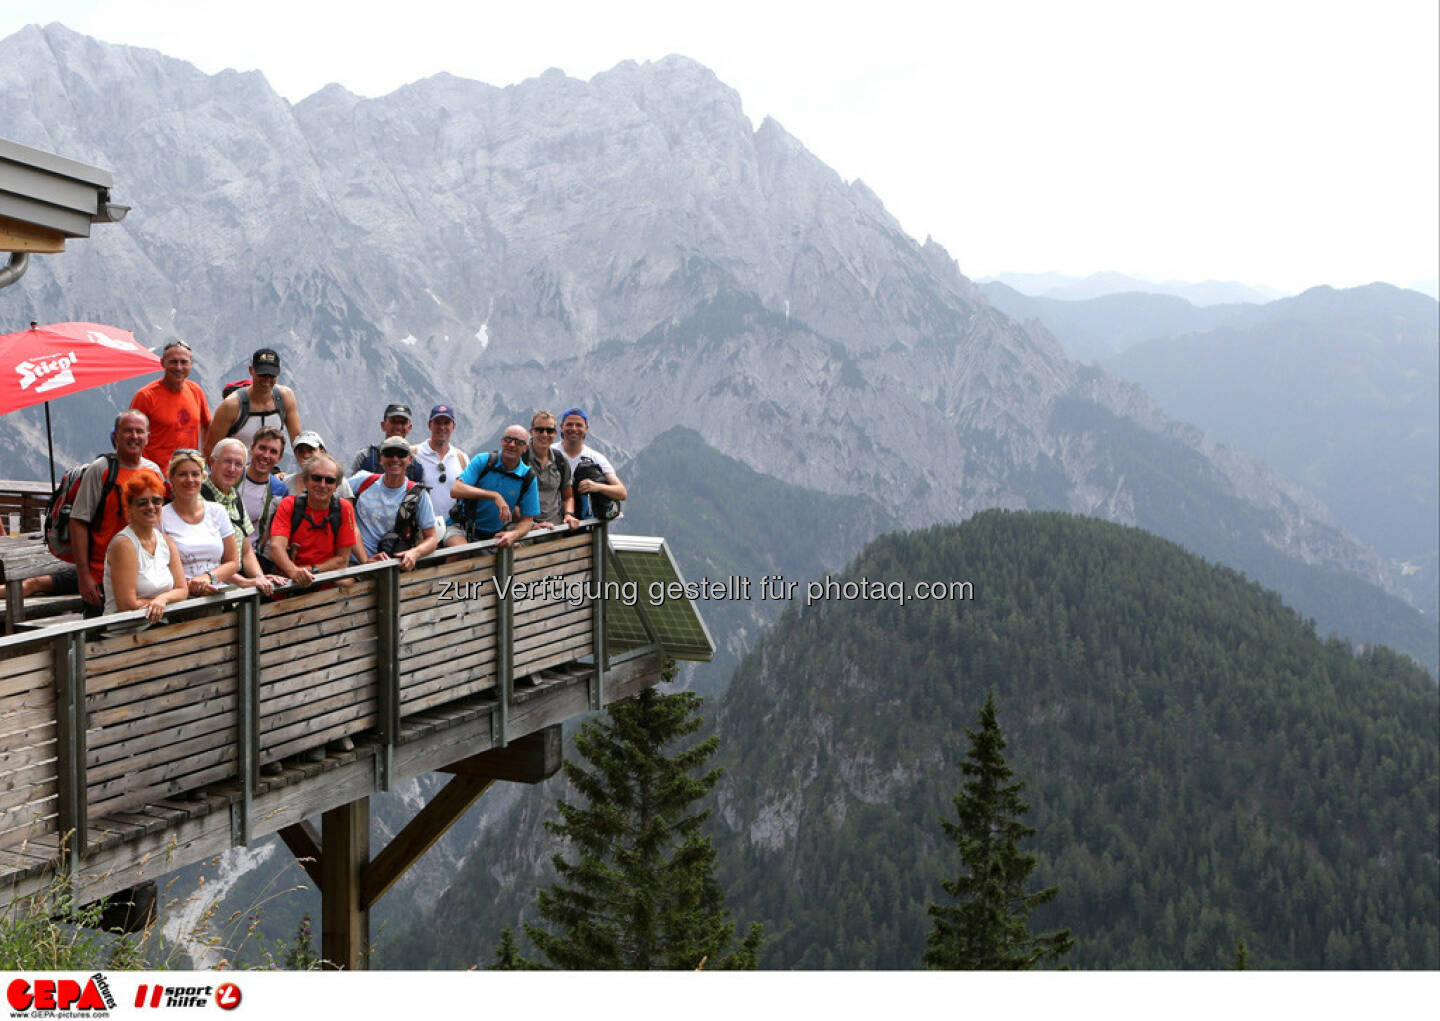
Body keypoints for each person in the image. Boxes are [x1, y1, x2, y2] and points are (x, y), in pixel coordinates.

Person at [69, 410, 165, 617]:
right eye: (127, 431)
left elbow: (157, 521)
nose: (134, 436)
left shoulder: (154, 471)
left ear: (148, 436)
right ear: (116, 435)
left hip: (146, 577)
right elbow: (78, 522)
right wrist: (84, 575)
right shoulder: (101, 470)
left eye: (140, 431)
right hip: (102, 576)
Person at [268, 453, 365, 588]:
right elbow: (276, 547)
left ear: (336, 485)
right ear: (306, 481)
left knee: (346, 583)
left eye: (329, 480)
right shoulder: (289, 505)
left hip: (325, 585)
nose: (322, 485)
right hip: (289, 585)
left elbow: (342, 560)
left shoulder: (344, 509)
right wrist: (294, 572)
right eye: (316, 478)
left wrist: (310, 571)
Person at [102, 473, 187, 622]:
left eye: (156, 501)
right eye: (142, 502)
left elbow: (182, 590)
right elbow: (127, 605)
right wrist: (158, 603)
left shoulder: (166, 542)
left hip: (159, 627)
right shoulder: (124, 545)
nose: (150, 507)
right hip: (126, 630)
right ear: (130, 507)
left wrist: (162, 599)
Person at [203, 439, 285, 594]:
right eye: (227, 461)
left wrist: (260, 577)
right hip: (208, 591)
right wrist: (246, 582)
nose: (232, 469)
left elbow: (246, 550)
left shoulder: (235, 499)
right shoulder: (199, 500)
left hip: (234, 590)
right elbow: (204, 559)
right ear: (212, 461)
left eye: (238, 464)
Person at [349, 436, 439, 571]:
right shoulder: (362, 481)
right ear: (381, 459)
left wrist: (414, 553)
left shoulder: (418, 494)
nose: (395, 459)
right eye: (389, 454)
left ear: (409, 460)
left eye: (401, 454)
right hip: (357, 565)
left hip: (394, 566)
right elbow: (335, 491)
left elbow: (432, 538)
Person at [161, 449, 241, 598]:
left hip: (217, 597)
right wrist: (191, 585)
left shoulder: (218, 511)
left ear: (203, 477)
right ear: (171, 478)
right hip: (179, 601)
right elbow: (159, 566)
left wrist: (208, 578)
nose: (190, 479)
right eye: (182, 474)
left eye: (195, 474)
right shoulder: (160, 517)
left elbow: (232, 562)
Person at [445, 425, 539, 550]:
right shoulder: (483, 461)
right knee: (460, 551)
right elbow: (456, 489)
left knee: (515, 553)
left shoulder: (528, 477)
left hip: (495, 533)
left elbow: (527, 520)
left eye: (518, 442)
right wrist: (494, 495)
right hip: (461, 526)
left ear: (525, 448)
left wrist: (513, 534)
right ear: (501, 441)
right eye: (508, 439)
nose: (511, 444)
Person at [130, 339, 211, 474]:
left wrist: (204, 458)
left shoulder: (196, 391)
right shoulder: (145, 396)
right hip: (154, 475)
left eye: (184, 362)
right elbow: (130, 434)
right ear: (162, 363)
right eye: (173, 362)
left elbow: (207, 425)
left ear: (191, 364)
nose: (179, 367)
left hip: (187, 477)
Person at [204, 347, 302, 456]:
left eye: (272, 375)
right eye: (262, 374)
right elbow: (210, 449)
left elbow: (298, 443)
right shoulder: (231, 405)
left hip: (270, 468)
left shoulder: (285, 397)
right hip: (236, 469)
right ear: (251, 371)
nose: (267, 379)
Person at [554, 407, 627, 518]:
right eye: (569, 424)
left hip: (585, 524)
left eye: (579, 425)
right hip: (553, 521)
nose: (574, 428)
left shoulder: (596, 458)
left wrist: (597, 486)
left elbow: (621, 493)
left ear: (586, 428)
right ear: (561, 427)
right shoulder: (550, 452)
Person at [412, 404, 469, 540]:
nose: (442, 427)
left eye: (446, 423)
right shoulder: (414, 453)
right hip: (422, 525)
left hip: (452, 524)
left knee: (459, 551)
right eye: (437, 422)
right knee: (423, 557)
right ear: (430, 425)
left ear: (453, 426)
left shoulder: (461, 458)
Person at [237, 426, 290, 568]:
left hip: (256, 559)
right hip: (224, 555)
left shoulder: (279, 489)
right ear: (252, 448)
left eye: (273, 452)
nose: (266, 455)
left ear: (279, 458)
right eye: (262, 448)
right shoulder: (232, 476)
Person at [524, 409, 578, 530]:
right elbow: (511, 500)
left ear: (555, 433)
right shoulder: (521, 459)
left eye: (549, 430)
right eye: (539, 430)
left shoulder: (561, 461)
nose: (544, 434)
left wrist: (569, 514)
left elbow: (568, 496)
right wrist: (531, 525)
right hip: (527, 531)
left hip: (555, 529)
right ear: (531, 432)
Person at [351, 403, 424, 482]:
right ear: (383, 425)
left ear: (409, 428)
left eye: (403, 423)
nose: (398, 427)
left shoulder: (416, 465)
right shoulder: (366, 457)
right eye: (393, 422)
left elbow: (420, 492)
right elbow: (351, 489)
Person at [286, 431, 355, 499]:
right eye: (301, 452)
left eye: (310, 450)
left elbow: (348, 509)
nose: (306, 455)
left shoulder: (340, 483)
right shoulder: (286, 483)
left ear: (322, 452)